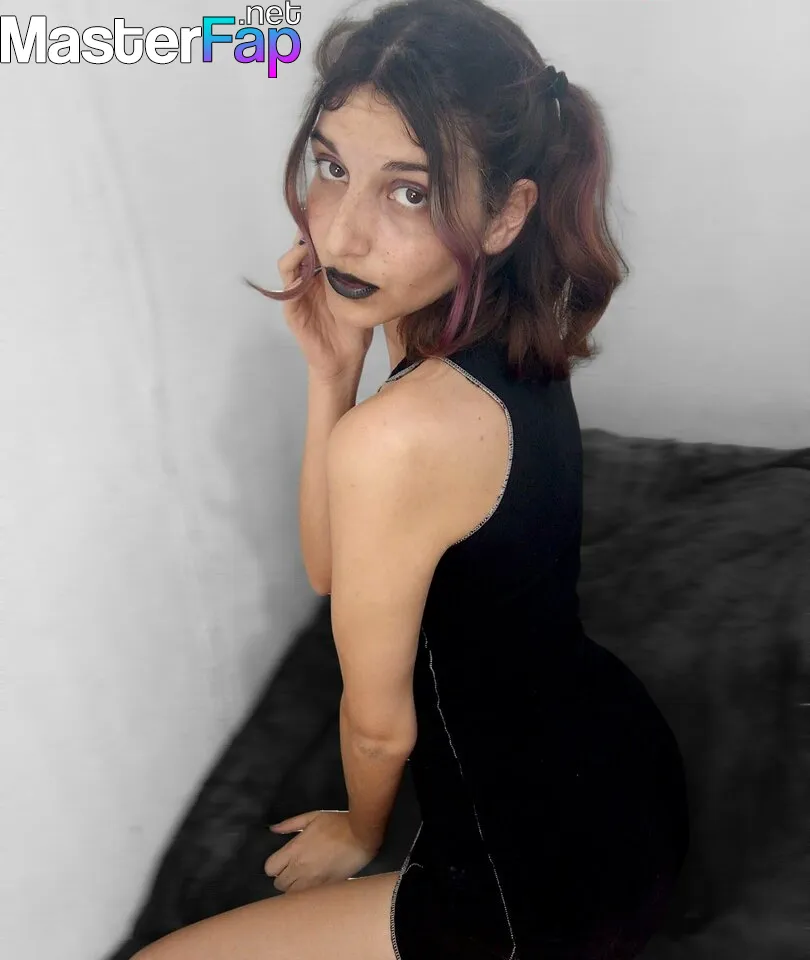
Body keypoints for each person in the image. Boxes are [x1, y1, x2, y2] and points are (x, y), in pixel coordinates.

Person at [135, 0, 689, 957]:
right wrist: (332, 375)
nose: (342, 236)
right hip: (624, 761)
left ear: (508, 212)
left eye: (410, 192)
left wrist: (360, 832)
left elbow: (379, 732)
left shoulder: (404, 436)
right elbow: (335, 570)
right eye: (332, 167)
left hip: (539, 882)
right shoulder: (514, 336)